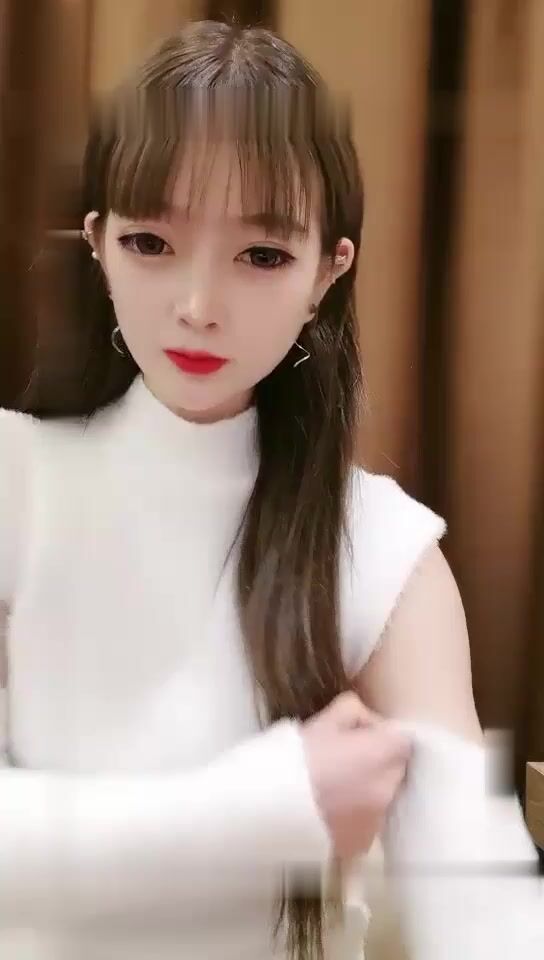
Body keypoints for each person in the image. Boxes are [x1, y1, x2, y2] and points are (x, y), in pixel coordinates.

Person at [0, 19, 541, 960]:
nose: (198, 305)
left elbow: (479, 904)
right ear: (97, 244)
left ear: (330, 271)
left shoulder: (383, 549)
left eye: (261, 255)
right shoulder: (18, 480)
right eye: (151, 241)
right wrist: (272, 807)